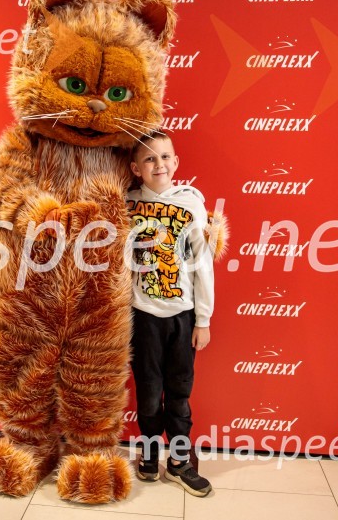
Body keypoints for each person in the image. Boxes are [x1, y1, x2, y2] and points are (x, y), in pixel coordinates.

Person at [126, 131, 214, 497]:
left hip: (183, 316)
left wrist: (204, 319)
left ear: (175, 162)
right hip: (142, 316)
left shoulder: (191, 204)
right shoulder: (126, 205)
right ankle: (149, 454)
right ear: (136, 168)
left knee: (178, 394)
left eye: (165, 157)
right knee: (148, 393)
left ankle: (179, 462)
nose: (158, 164)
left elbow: (203, 262)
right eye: (149, 159)